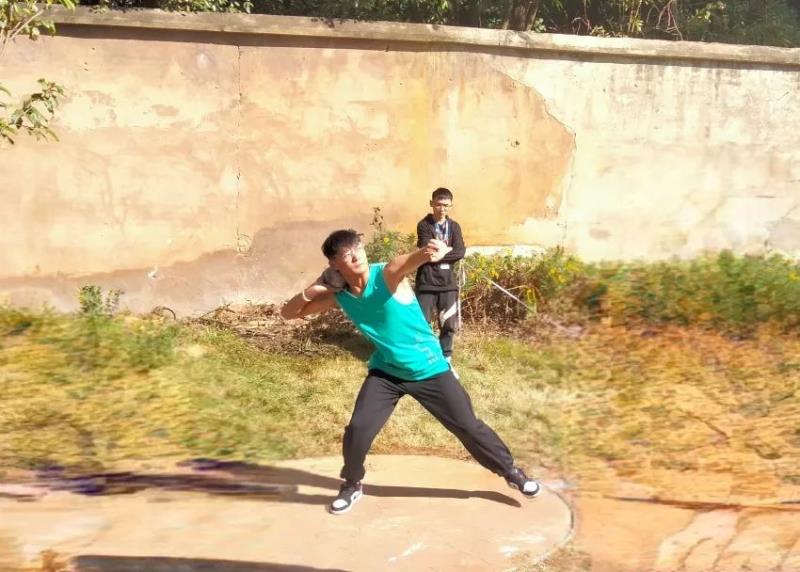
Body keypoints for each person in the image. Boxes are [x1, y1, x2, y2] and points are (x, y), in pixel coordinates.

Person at [280, 229, 541, 515]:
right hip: (386, 373)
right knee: (358, 429)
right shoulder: (341, 296)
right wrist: (313, 289)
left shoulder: (386, 274)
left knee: (467, 426)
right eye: (347, 254)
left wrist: (430, 251)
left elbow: (410, 260)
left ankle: (512, 472)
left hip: (429, 369)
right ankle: (352, 483)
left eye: (358, 249)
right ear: (334, 264)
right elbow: (289, 313)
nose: (357, 256)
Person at [415, 188, 465, 363]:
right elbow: (428, 249)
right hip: (426, 283)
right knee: (422, 323)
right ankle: (423, 357)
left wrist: (441, 253)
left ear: (450, 206)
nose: (442, 209)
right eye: (438, 204)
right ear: (431, 204)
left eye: (446, 205)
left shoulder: (455, 227)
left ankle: (446, 358)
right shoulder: (424, 225)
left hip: (447, 284)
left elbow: (460, 251)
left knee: (448, 323)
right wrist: (447, 249)